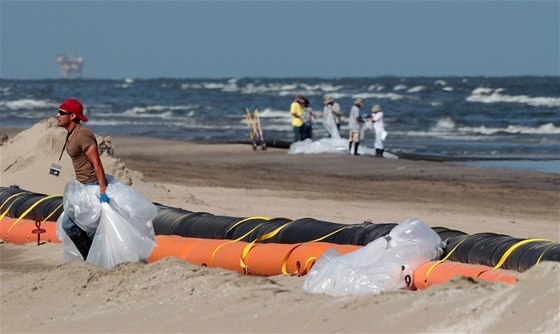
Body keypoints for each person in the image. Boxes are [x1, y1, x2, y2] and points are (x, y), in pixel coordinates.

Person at [56, 99, 109, 260]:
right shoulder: (71, 134)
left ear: (72, 116)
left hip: (92, 185)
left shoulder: (83, 135)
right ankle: (91, 257)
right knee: (68, 224)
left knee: (90, 227)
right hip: (81, 186)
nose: (57, 115)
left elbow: (96, 163)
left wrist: (102, 191)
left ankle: (99, 258)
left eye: (61, 113)